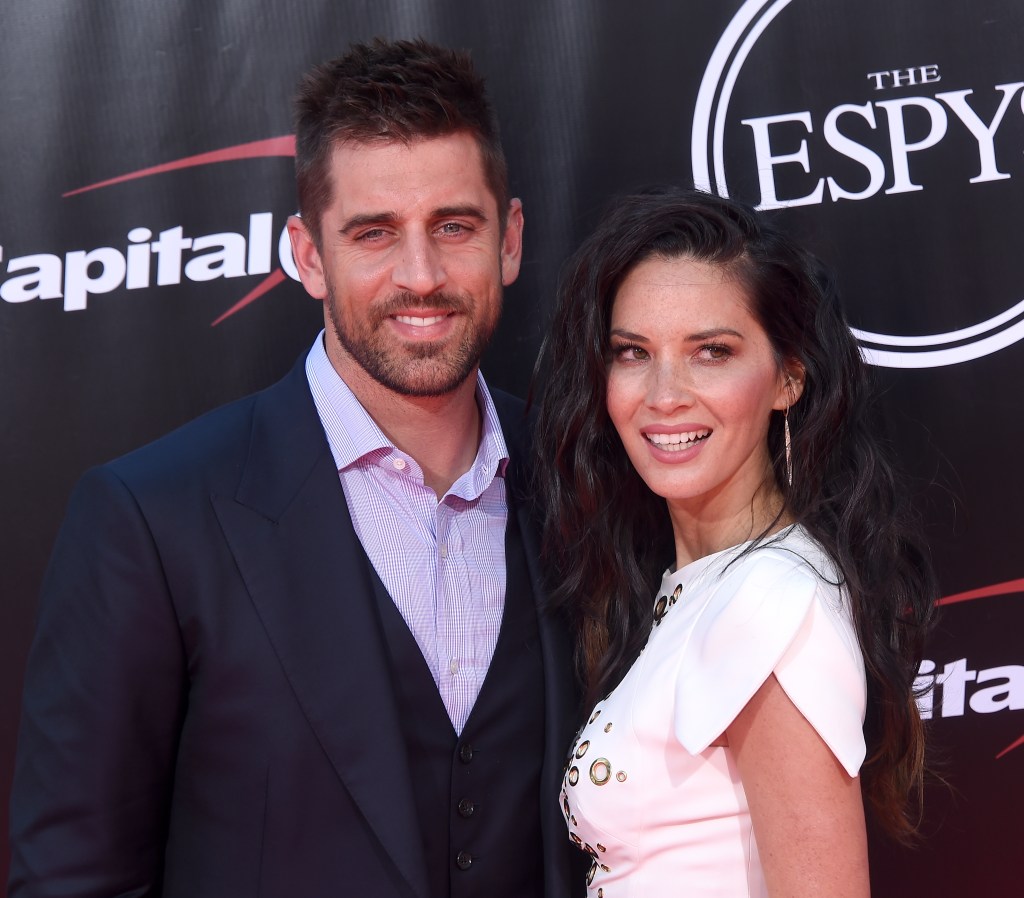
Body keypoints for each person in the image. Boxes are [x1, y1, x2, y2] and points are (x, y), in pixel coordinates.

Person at [9, 38, 580, 898]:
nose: (420, 276)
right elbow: (71, 877)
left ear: (510, 241)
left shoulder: (583, 481)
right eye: (374, 233)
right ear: (309, 256)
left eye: (454, 227)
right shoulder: (151, 517)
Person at [535, 187, 935, 897]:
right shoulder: (704, 584)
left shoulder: (770, 606)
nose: (664, 394)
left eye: (710, 352)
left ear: (788, 377)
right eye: (633, 353)